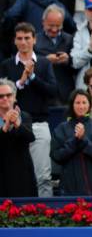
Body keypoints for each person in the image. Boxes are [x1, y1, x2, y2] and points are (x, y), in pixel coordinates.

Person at [0, 22, 57, 198]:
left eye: (27, 38)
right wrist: (21, 81)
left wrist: (32, 77)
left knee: (43, 176)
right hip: (11, 125)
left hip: (39, 123)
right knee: (11, 174)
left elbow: (53, 91)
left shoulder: (44, 63)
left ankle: (44, 216)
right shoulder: (7, 65)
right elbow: (3, 92)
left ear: (34, 39)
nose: (23, 42)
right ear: (14, 41)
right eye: (19, 38)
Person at [51, 89, 92, 196]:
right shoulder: (61, 128)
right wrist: (75, 140)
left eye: (84, 102)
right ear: (72, 105)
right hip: (69, 187)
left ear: (89, 105)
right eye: (77, 103)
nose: (81, 106)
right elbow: (56, 156)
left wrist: (84, 139)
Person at [0, 78, 37, 197]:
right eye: (1, 96)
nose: (5, 98)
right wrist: (5, 126)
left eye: (8, 95)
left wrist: (16, 123)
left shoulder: (24, 116)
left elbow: (30, 137)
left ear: (14, 97)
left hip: (22, 169)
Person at [34, 5, 75, 104]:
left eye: (58, 26)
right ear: (43, 22)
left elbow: (78, 66)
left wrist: (68, 60)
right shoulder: (34, 40)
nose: (54, 29)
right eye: (51, 25)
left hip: (65, 93)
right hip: (43, 94)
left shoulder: (70, 39)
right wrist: (45, 60)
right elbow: (28, 62)